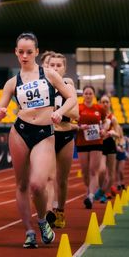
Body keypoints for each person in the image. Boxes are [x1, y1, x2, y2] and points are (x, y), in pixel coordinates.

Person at [0, 32, 77, 248]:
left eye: (29, 52)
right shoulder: (12, 82)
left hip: (44, 133)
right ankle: (29, 231)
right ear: (15, 52)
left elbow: (71, 98)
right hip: (20, 131)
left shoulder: (49, 75)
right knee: (21, 184)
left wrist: (60, 112)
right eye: (20, 52)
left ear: (37, 52)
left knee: (38, 184)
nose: (24, 55)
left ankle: (42, 220)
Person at [46, 53, 79, 228]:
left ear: (64, 68)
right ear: (47, 66)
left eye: (59, 65)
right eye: (53, 65)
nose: (56, 68)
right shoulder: (43, 85)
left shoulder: (68, 86)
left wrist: (58, 111)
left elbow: (76, 114)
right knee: (49, 177)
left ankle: (60, 211)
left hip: (65, 135)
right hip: (48, 135)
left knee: (62, 179)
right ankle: (49, 210)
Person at [76, 85, 107, 209]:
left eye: (90, 93)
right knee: (85, 171)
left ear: (94, 95)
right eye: (86, 93)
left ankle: (91, 196)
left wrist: (103, 129)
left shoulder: (99, 108)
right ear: (83, 95)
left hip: (96, 142)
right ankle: (89, 190)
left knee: (93, 171)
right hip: (82, 142)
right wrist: (80, 127)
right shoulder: (78, 108)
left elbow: (104, 121)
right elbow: (73, 122)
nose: (88, 95)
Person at [99, 94, 121, 200]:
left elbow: (119, 135)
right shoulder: (97, 116)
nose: (105, 104)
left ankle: (106, 192)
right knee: (102, 170)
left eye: (107, 102)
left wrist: (111, 133)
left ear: (110, 104)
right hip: (100, 145)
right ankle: (102, 190)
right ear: (100, 103)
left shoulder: (113, 118)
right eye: (103, 102)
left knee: (111, 172)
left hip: (110, 144)